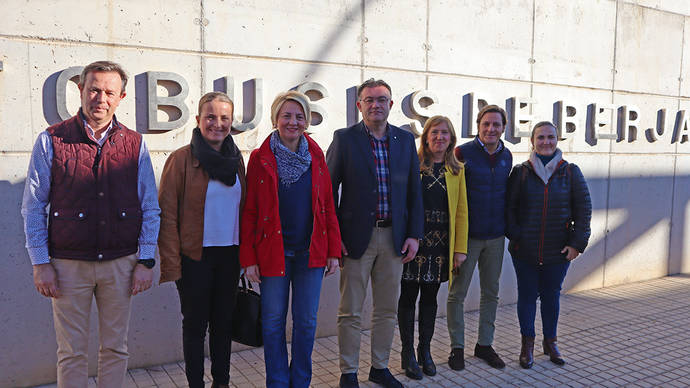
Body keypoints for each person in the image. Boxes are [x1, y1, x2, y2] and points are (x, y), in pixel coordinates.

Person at [21, 60, 160, 388]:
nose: (101, 97)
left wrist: (146, 259)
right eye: (94, 89)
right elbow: (33, 207)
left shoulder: (135, 144)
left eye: (109, 92)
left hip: (121, 264)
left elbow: (150, 207)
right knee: (71, 352)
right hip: (68, 266)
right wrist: (41, 263)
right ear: (81, 90)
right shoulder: (51, 140)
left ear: (121, 97)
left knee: (115, 347)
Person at [327, 78, 424, 388]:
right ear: (359, 105)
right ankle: (349, 372)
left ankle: (379, 367)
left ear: (391, 105)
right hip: (356, 239)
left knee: (386, 308)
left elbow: (414, 192)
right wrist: (334, 236)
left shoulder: (404, 141)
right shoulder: (344, 139)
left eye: (381, 99)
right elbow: (328, 192)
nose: (375, 105)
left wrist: (414, 234)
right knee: (350, 310)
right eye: (369, 100)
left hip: (394, 238)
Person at [240, 91, 341, 388]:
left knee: (306, 324)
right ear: (275, 120)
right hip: (273, 254)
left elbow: (327, 207)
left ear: (307, 121)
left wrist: (333, 251)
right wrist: (248, 260)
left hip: (310, 253)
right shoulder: (260, 158)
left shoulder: (316, 155)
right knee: (272, 324)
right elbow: (249, 212)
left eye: (299, 116)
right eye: (286, 115)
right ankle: (277, 382)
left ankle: (300, 382)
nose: (292, 122)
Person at [158, 92, 245, 388]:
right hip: (194, 258)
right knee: (195, 326)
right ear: (197, 120)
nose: (217, 124)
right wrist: (173, 264)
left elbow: (243, 209)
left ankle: (222, 382)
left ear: (231, 123)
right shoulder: (181, 159)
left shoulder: (237, 159)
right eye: (210, 117)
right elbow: (166, 215)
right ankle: (195, 384)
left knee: (223, 326)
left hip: (230, 257)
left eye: (224, 118)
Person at [506, 121, 591, 368]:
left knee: (552, 297)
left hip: (558, 250)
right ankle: (527, 344)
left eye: (550, 137)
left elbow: (583, 210)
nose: (546, 142)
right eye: (541, 137)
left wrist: (577, 244)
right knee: (527, 297)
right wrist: (517, 237)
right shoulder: (521, 172)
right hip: (525, 251)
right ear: (532, 141)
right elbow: (509, 209)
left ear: (557, 140)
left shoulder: (571, 171)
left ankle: (551, 343)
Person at [398, 115, 468, 380]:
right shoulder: (412, 166)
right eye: (434, 132)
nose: (439, 137)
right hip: (414, 243)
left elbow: (462, 212)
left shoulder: (458, 170)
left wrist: (459, 250)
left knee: (429, 299)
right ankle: (408, 354)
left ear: (451, 139)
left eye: (445, 133)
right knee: (407, 298)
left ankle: (424, 350)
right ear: (426, 137)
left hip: (440, 248)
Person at [447, 104, 512, 371]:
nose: (491, 129)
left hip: (496, 237)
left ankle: (485, 344)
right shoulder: (462, 153)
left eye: (496, 124)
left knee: (491, 293)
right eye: (486, 124)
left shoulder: (507, 155)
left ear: (503, 128)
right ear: (478, 126)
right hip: (467, 238)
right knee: (457, 294)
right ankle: (457, 347)